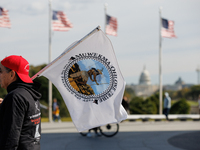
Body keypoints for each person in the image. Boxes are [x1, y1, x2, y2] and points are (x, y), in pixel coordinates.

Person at [0, 55, 42, 149]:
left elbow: (10, 140)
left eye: (0, 71)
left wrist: (9, 103)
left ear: (12, 74)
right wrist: (4, 106)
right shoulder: (31, 93)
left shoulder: (15, 97)